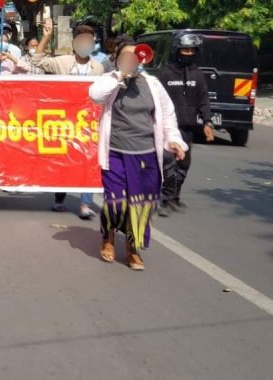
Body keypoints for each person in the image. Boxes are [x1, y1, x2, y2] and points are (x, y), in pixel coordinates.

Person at [89, 40, 187, 271]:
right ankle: (108, 237)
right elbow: (95, 96)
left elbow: (168, 116)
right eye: (126, 57)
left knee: (141, 205)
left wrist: (174, 140)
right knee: (116, 200)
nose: (131, 61)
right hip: (115, 153)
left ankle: (133, 248)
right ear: (117, 59)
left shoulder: (152, 84)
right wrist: (120, 75)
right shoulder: (110, 80)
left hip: (146, 155)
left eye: (135, 57)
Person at [34, 21, 104, 217]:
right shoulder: (61, 62)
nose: (85, 44)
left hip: (88, 123)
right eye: (82, 40)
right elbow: (37, 60)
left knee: (89, 160)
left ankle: (85, 204)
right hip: (65, 122)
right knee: (64, 160)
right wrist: (46, 37)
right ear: (74, 42)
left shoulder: (98, 67)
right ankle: (59, 199)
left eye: (89, 40)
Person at [157, 33, 214, 216]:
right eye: (185, 50)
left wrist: (207, 121)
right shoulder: (165, 73)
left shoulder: (198, 74)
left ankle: (175, 197)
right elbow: (157, 99)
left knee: (184, 164)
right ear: (177, 50)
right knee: (168, 163)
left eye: (191, 50)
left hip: (188, 126)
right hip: (168, 126)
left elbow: (204, 99)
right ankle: (164, 199)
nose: (188, 53)